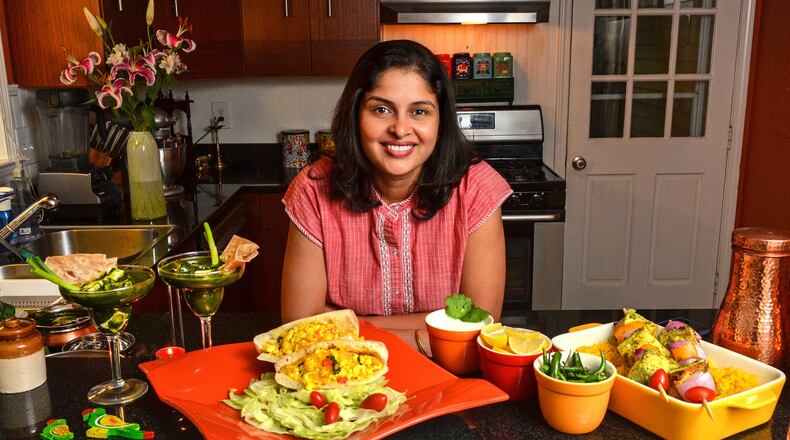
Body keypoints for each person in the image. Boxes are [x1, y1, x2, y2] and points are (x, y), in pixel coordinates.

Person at [280, 40, 512, 351]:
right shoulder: (313, 189)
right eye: (381, 109)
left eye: (419, 111)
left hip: (446, 382)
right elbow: (298, 329)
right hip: (340, 385)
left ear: (440, 121)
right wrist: (430, 336)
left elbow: (479, 328)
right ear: (356, 115)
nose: (400, 129)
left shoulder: (477, 189)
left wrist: (349, 325)